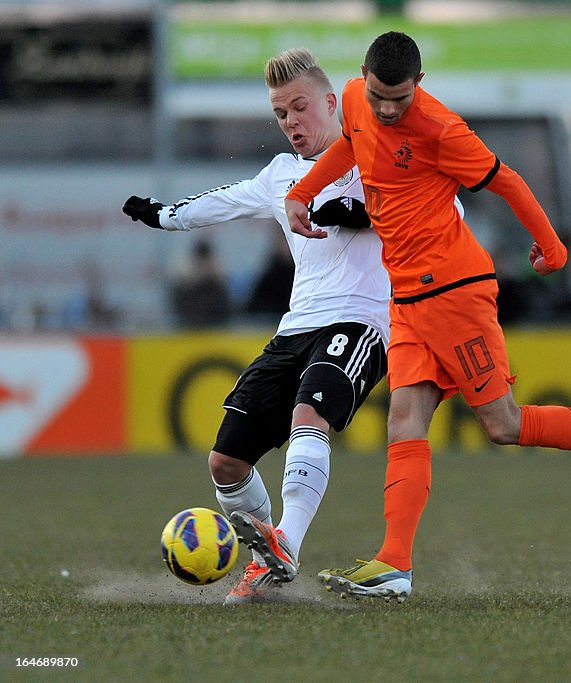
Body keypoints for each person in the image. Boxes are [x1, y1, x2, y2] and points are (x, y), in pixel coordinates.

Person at [285, 31, 571, 602]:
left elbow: (507, 181)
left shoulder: (441, 129)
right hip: (408, 297)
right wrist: (303, 191)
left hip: (454, 290)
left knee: (503, 426)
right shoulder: (355, 102)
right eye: (378, 95)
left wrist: (551, 245)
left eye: (401, 97)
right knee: (405, 420)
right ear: (363, 77)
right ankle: (394, 564)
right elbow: (349, 142)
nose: (389, 109)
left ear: (420, 85)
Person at [123, 48, 391, 604]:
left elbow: (445, 213)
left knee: (308, 413)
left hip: (362, 320)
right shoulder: (280, 177)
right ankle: (266, 558)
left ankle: (286, 541)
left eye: (299, 108)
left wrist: (367, 214)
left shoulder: (377, 158)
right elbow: (223, 202)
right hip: (296, 328)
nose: (291, 122)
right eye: (280, 113)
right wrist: (164, 215)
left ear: (329, 102)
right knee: (226, 461)